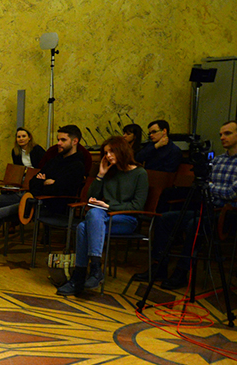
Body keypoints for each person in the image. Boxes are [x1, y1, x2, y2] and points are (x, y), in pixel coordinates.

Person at [0, 124, 87, 262]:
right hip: (30, 196)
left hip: (44, 205)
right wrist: (45, 182)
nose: (58, 143)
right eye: (58, 139)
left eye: (63, 140)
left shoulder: (77, 166)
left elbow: (60, 191)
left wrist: (43, 183)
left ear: (75, 141)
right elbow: (33, 182)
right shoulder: (56, 159)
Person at [143, 121, 237, 289]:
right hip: (207, 207)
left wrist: (209, 188)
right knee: (165, 219)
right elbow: (204, 185)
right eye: (221, 134)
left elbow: (232, 193)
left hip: (228, 213)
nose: (222, 137)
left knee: (195, 224)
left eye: (227, 133)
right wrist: (209, 188)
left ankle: (181, 272)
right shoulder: (218, 160)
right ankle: (159, 266)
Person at [57, 137, 148, 295]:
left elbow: (137, 206)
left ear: (122, 151)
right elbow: (90, 197)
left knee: (85, 225)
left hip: (126, 220)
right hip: (103, 218)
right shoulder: (110, 172)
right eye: (106, 153)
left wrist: (108, 206)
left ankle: (80, 277)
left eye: (112, 151)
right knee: (87, 221)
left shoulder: (140, 173)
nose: (108, 156)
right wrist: (100, 175)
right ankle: (94, 270)